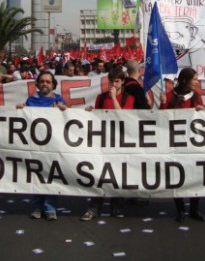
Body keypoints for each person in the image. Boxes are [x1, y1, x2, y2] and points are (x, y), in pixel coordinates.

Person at [80, 67, 134, 221]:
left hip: (120, 142)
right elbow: (98, 118)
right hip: (103, 141)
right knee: (100, 175)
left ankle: (117, 208)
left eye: (116, 82)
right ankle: (94, 208)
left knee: (117, 175)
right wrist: (91, 112)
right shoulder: (101, 98)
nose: (113, 85)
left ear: (122, 82)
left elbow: (123, 116)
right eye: (111, 82)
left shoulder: (128, 98)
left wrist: (115, 98)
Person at [17, 71, 67, 221]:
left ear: (53, 85)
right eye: (42, 81)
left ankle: (50, 208)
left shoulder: (58, 100)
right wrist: (19, 110)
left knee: (52, 176)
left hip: (53, 144)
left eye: (48, 82)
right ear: (38, 84)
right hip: (36, 144)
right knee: (37, 176)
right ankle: (37, 207)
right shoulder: (31, 100)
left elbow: (68, 118)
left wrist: (64, 109)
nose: (45, 84)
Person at [159, 67, 205, 222]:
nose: (197, 82)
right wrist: (162, 105)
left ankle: (194, 209)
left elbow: (203, 120)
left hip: (192, 142)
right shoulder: (169, 96)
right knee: (176, 177)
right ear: (185, 80)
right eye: (195, 79)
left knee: (194, 176)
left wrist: (201, 111)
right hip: (174, 143)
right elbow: (161, 120)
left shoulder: (196, 97)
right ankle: (180, 210)